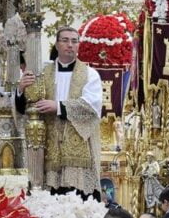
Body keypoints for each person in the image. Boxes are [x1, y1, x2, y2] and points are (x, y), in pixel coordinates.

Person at [15, 26, 103, 199]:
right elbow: (25, 107)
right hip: (48, 150)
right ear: (56, 44)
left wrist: (59, 107)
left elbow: (91, 107)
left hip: (78, 153)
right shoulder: (43, 72)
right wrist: (21, 88)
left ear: (78, 45)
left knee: (79, 202)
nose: (70, 45)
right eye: (65, 40)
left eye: (74, 41)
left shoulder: (90, 74)